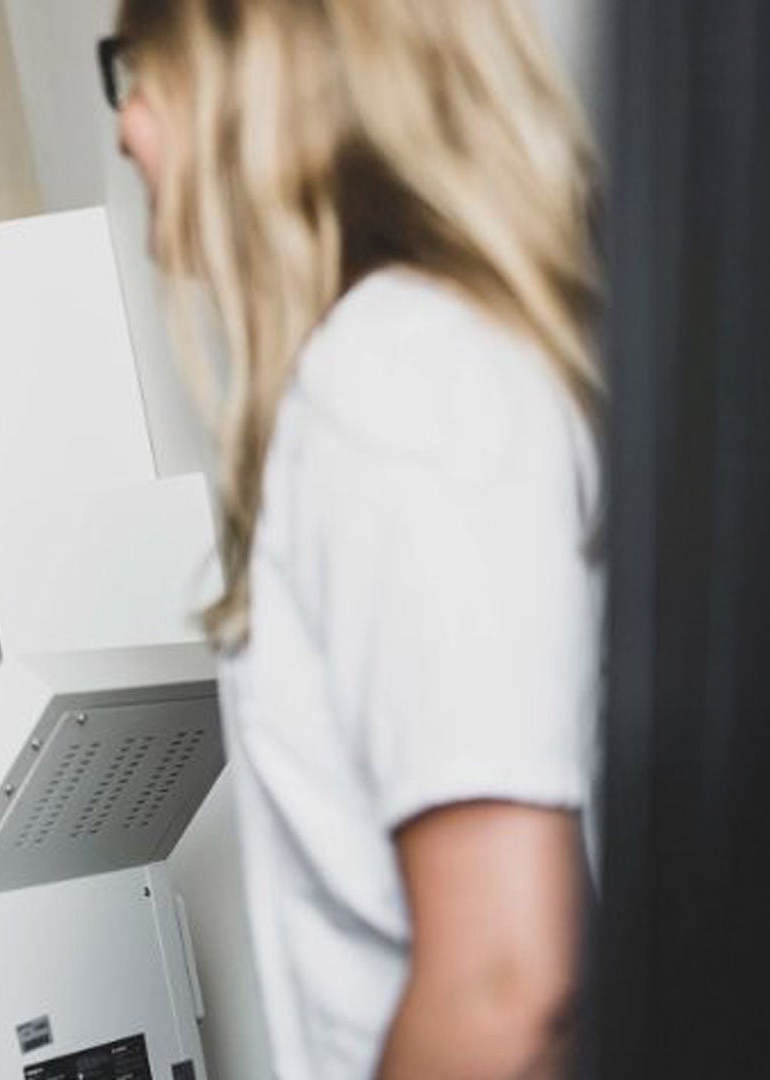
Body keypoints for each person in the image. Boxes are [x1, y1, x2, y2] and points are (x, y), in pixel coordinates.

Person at [104, 2, 600, 1077]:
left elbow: (505, 978)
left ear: (256, 82)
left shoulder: (388, 383)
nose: (125, 124)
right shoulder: (431, 355)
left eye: (139, 73)